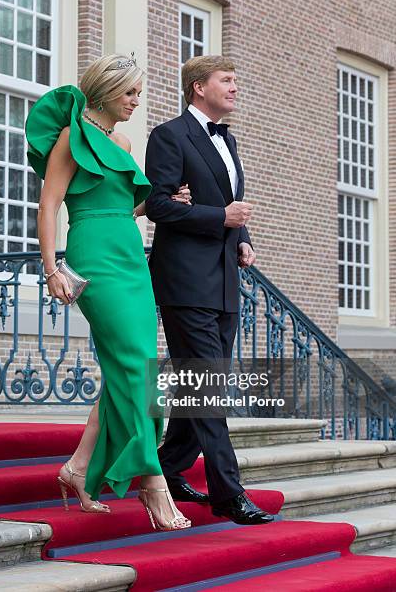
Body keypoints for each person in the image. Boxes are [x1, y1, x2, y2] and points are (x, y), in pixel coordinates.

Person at [25, 53, 192, 531]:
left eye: (138, 93)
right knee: (134, 363)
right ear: (104, 91)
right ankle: (152, 482)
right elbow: (49, 205)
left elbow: (124, 206)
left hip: (130, 254)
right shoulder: (68, 138)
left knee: (136, 365)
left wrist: (161, 204)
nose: (137, 101)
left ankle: (77, 469)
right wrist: (52, 266)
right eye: (130, 93)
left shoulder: (120, 141)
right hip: (94, 256)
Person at [145, 55, 274, 526]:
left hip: (224, 280)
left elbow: (230, 205)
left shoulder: (230, 138)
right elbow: (158, 205)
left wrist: (242, 240)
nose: (235, 88)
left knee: (197, 387)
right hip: (184, 281)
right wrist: (221, 220)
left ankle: (165, 467)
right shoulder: (168, 136)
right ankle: (227, 492)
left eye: (236, 80)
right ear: (198, 87)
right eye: (227, 80)